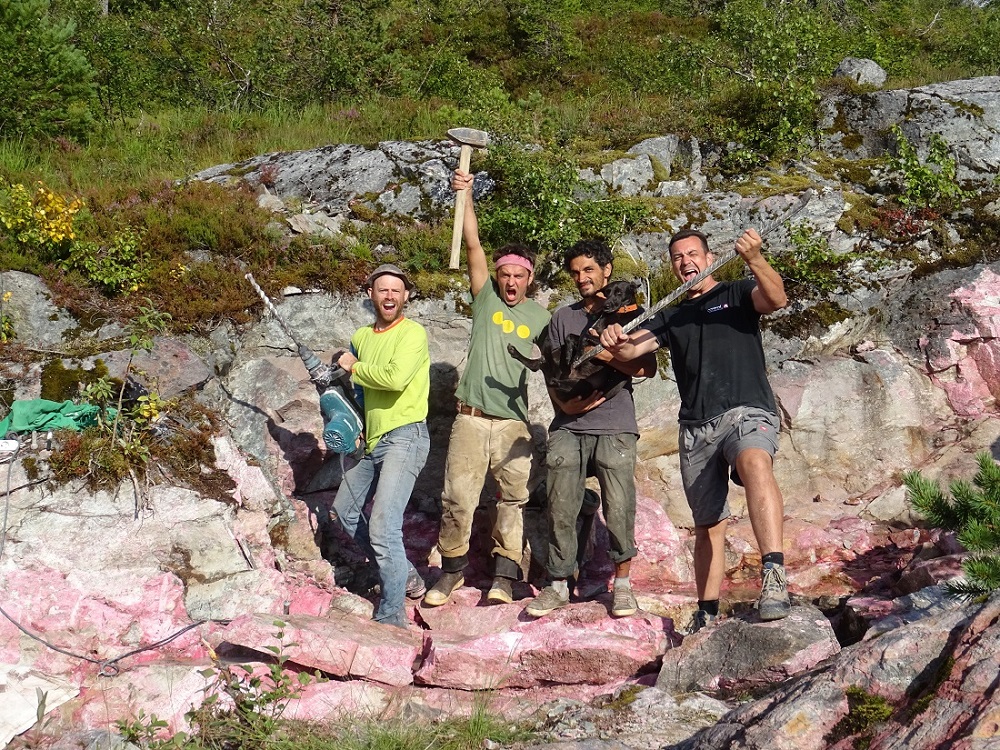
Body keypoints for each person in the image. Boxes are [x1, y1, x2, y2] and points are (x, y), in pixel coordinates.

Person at [598, 227, 791, 629]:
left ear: (708, 257)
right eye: (677, 257)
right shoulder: (672, 314)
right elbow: (634, 350)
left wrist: (755, 258)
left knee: (755, 461)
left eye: (691, 254)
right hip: (696, 427)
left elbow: (776, 298)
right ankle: (706, 612)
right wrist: (614, 340)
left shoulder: (736, 292)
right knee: (707, 525)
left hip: (746, 410)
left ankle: (773, 577)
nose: (685, 262)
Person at [423, 169, 551, 607]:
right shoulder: (486, 301)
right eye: (505, 274)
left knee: (512, 500)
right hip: (471, 418)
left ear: (529, 278)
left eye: (519, 275)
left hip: (514, 422)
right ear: (497, 277)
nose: (511, 281)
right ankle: (452, 572)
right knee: (458, 497)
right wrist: (467, 195)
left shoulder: (540, 317)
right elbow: (473, 245)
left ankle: (503, 577)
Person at [526, 239, 657, 619]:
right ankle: (557, 584)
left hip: (616, 424)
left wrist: (605, 354)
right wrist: (567, 405)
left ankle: (624, 586)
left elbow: (647, 368)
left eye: (589, 270)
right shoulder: (563, 318)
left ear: (606, 270)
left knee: (620, 506)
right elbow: (553, 373)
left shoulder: (631, 313)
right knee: (559, 503)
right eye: (576, 272)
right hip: (569, 423)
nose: (582, 278)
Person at [331, 263, 431, 629]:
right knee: (344, 511)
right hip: (371, 440)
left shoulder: (413, 334)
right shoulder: (361, 336)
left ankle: (391, 616)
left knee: (383, 526)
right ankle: (405, 575)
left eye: (396, 290)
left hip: (406, 435)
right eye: (382, 290)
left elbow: (393, 378)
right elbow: (359, 391)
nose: (389, 296)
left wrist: (354, 366)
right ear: (371, 294)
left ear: (406, 296)